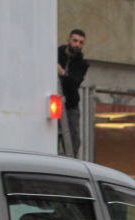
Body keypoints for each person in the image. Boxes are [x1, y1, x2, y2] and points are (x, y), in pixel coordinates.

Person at [57, 29, 89, 157]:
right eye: (75, 41)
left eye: (81, 42)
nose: (77, 45)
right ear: (68, 40)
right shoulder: (56, 54)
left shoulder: (82, 64)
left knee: (73, 142)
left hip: (70, 106)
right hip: (52, 103)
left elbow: (75, 82)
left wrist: (63, 73)